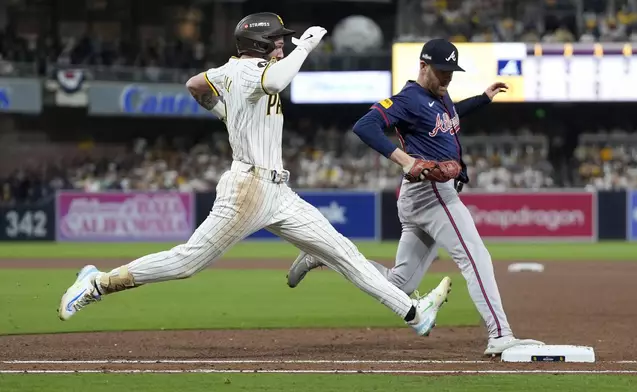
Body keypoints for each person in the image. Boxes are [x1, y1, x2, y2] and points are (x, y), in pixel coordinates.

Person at [57, 13, 452, 338]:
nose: (283, 44)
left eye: (285, 41)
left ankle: (414, 314)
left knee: (344, 254)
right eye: (278, 41)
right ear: (261, 46)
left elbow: (195, 84)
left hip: (277, 190)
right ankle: (97, 283)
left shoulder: (231, 71)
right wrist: (307, 47)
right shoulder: (252, 70)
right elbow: (276, 80)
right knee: (186, 262)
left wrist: (223, 111)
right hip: (248, 189)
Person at [286, 38, 544, 356]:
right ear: (423, 66)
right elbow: (365, 126)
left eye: (451, 70)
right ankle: (500, 335)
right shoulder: (409, 99)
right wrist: (406, 160)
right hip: (431, 193)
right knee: (476, 257)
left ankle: (324, 255)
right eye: (441, 70)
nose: (447, 77)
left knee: (399, 286)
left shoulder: (442, 95)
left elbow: (449, 118)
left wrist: (483, 99)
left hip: (422, 196)